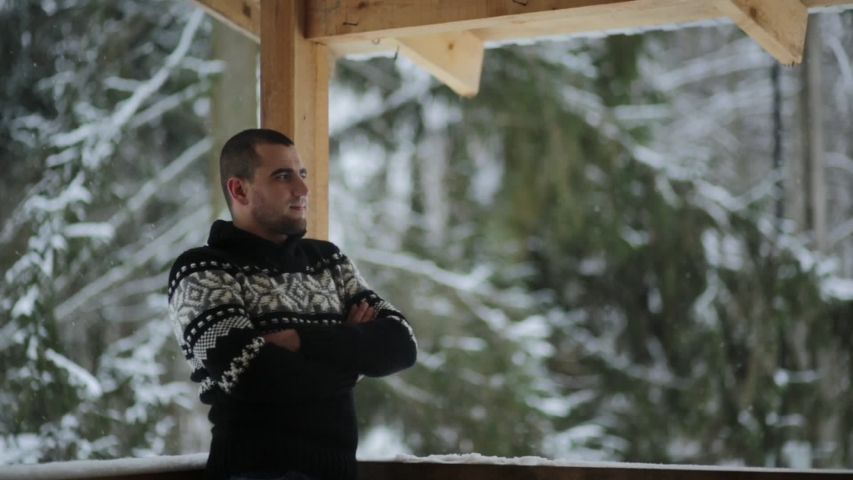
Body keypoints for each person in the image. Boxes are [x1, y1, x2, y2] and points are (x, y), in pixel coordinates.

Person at [167, 128, 418, 480]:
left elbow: (402, 343)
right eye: (283, 176)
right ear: (239, 189)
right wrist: (354, 357)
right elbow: (249, 374)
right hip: (252, 473)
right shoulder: (202, 269)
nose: (302, 189)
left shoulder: (328, 260)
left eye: (302, 174)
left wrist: (301, 341)